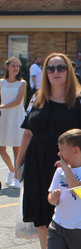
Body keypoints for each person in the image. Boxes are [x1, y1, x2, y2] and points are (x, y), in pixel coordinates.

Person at [15, 53, 81, 249]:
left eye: (61, 68)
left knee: (79, 210)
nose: (56, 72)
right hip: (38, 163)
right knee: (42, 214)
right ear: (45, 73)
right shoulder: (37, 97)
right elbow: (27, 133)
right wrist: (18, 164)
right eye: (51, 68)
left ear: (69, 71)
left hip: (72, 166)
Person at [0, 57, 26, 189]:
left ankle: (17, 178)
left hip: (16, 117)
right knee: (1, 148)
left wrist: (1, 107)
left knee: (17, 149)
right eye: (13, 66)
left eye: (18, 66)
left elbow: (17, 101)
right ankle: (11, 170)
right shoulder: (1, 82)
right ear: (8, 67)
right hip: (3, 118)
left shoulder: (22, 83)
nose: (16, 68)